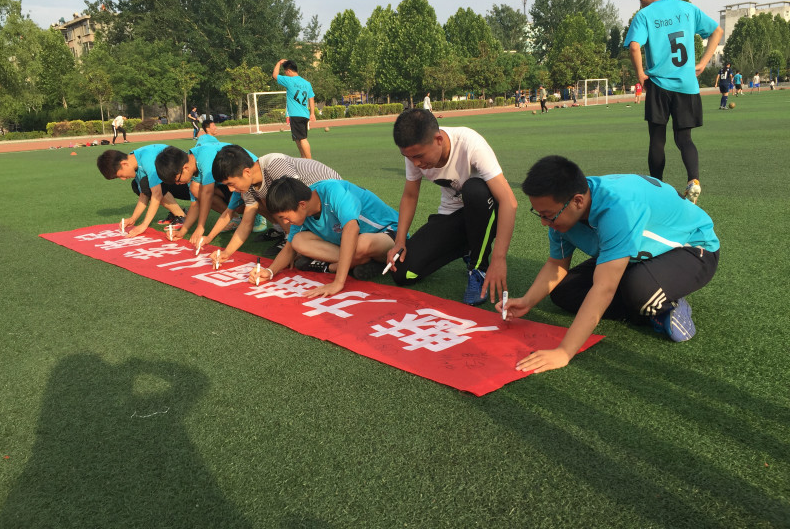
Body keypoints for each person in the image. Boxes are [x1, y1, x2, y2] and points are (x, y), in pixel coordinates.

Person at [500, 155, 720, 375]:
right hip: (637, 255)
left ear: (578, 201)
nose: (544, 222)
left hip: (693, 250)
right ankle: (643, 300)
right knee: (563, 291)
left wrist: (564, 351)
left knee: (639, 290)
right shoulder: (564, 211)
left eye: (548, 215)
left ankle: (667, 306)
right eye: (539, 214)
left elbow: (604, 288)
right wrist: (527, 301)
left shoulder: (617, 209)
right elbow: (556, 264)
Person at [386, 108, 518, 306]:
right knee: (403, 273)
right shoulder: (414, 153)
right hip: (453, 215)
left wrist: (499, 258)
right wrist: (400, 241)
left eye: (419, 156)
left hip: (488, 213)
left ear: (438, 140)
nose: (416, 163)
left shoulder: (470, 144)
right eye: (409, 157)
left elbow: (509, 202)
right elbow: (410, 196)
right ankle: (468, 247)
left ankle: (478, 268)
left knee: (474, 190)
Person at [624, 0, 722, 205]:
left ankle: (657, 188)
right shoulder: (687, 8)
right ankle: (693, 180)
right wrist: (703, 62)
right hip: (687, 84)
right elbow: (717, 31)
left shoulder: (644, 15)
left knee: (657, 139)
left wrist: (641, 75)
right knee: (684, 139)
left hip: (659, 84)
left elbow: (635, 47)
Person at [248, 177, 399, 297]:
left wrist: (338, 282)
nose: (285, 222)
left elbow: (352, 229)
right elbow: (289, 249)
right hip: (351, 243)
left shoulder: (334, 191)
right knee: (298, 241)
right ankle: (360, 262)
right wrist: (270, 272)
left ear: (302, 205)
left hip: (388, 234)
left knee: (360, 244)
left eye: (284, 217)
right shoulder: (300, 208)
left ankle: (332, 267)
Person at [210, 144, 343, 263]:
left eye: (231, 184)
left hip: (331, 205)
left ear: (247, 172)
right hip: (309, 210)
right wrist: (227, 253)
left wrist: (291, 248)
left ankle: (340, 256)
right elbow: (246, 223)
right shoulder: (248, 186)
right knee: (297, 245)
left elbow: (296, 202)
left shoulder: (274, 165)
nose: (231, 190)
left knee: (298, 243)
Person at [154, 134, 246, 250]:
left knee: (242, 204)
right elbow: (195, 204)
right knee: (195, 188)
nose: (177, 184)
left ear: (185, 168)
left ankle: (256, 213)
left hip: (247, 181)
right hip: (232, 186)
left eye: (177, 180)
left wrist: (200, 227)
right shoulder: (191, 166)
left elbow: (207, 193)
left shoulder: (204, 156)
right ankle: (236, 218)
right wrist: (182, 232)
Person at [96, 145, 190, 237]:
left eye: (120, 175)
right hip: (178, 183)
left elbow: (157, 194)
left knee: (147, 183)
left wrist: (144, 225)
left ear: (124, 164)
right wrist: (133, 218)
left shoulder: (147, 158)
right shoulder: (135, 159)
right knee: (137, 185)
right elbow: (144, 194)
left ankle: (182, 217)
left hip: (189, 184)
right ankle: (178, 213)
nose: (123, 179)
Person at [272, 59, 316, 159]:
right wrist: (312, 113)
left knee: (302, 139)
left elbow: (275, 75)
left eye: (285, 72)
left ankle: (310, 161)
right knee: (298, 139)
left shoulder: (289, 81)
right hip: (304, 114)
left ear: (289, 71)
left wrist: (279, 63)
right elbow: (311, 98)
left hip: (295, 114)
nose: (285, 74)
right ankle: (303, 159)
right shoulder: (307, 83)